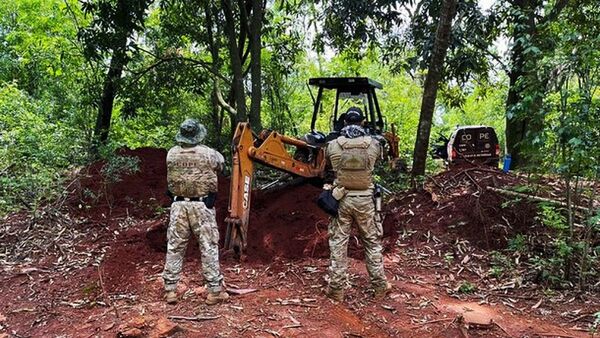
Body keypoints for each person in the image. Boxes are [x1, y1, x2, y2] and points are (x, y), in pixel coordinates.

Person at [325, 107, 391, 301]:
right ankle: (379, 286)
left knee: (338, 243)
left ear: (344, 122)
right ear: (363, 122)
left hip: (341, 199)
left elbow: (329, 165)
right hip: (366, 200)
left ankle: (336, 289)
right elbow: (379, 161)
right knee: (371, 242)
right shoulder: (374, 145)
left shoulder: (332, 145)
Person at [163, 118, 229, 305]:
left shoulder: (171, 154)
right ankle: (214, 291)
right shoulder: (209, 153)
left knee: (175, 247)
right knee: (208, 246)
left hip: (178, 206)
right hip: (202, 206)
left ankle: (170, 290)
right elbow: (222, 167)